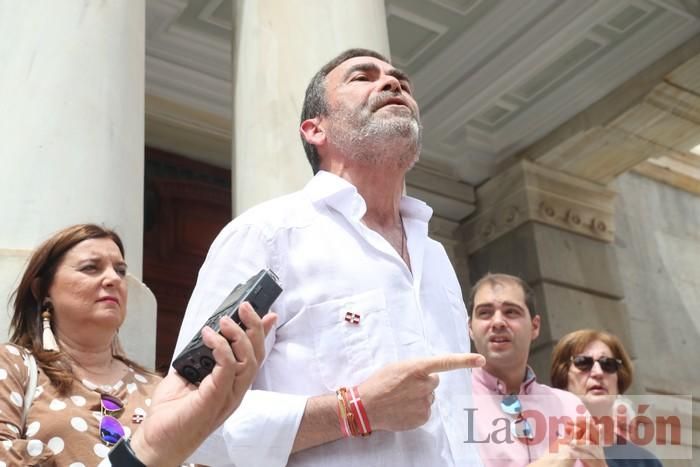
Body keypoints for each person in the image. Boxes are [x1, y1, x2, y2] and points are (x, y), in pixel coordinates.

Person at [174, 48, 485, 467]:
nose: (393, 84)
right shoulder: (267, 235)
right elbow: (190, 421)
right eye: (362, 77)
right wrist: (354, 409)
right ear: (314, 129)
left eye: (401, 82)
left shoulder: (437, 257)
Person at [0, 223, 275, 465]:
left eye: (120, 271)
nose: (113, 279)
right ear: (42, 290)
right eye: (90, 268)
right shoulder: (15, 367)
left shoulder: (161, 388)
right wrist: (145, 452)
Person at [467, 273, 605, 466]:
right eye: (485, 313)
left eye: (511, 312)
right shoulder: (448, 405)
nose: (497, 322)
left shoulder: (571, 407)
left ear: (535, 326)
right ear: (470, 328)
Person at [551, 329, 663, 466]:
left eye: (608, 364)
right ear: (563, 376)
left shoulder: (644, 461)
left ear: (618, 379)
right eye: (583, 363)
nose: (598, 373)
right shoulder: (537, 447)